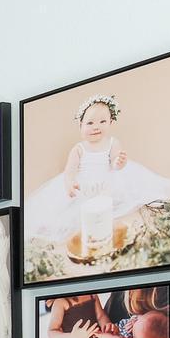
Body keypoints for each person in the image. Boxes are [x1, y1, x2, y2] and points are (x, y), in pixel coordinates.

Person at [61, 96, 130, 260]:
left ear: (111, 123)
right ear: (81, 126)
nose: (96, 127)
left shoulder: (113, 143)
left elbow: (115, 164)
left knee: (109, 212)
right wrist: (70, 184)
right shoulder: (78, 148)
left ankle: (109, 232)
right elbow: (69, 171)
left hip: (106, 184)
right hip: (85, 187)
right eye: (90, 123)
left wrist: (119, 162)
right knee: (84, 216)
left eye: (102, 121)